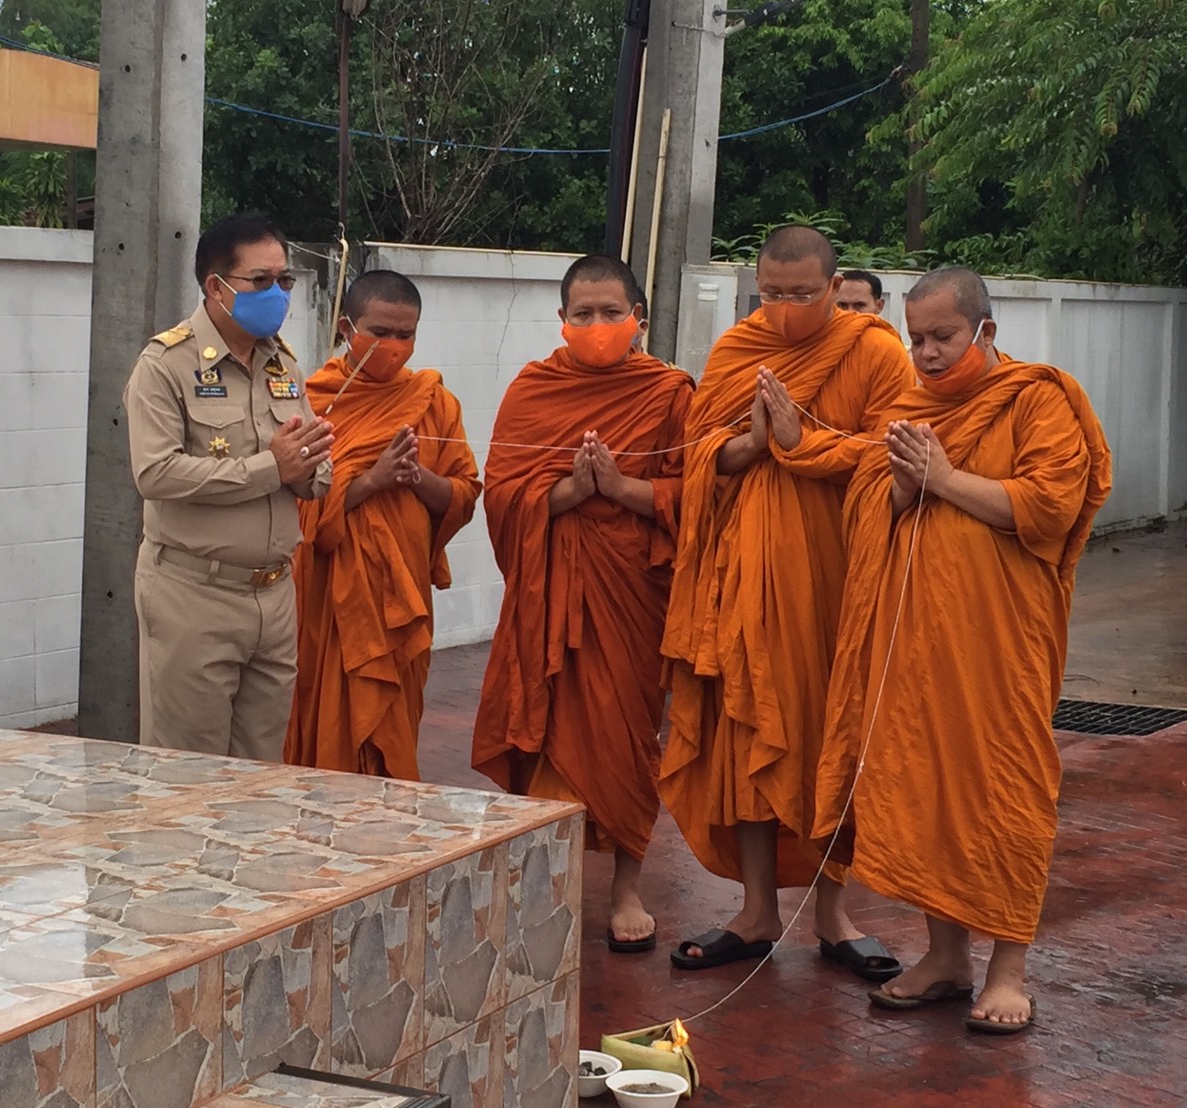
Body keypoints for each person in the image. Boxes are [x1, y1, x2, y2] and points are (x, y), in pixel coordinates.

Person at [813, 267, 1111, 1033]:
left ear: (986, 330)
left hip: (1000, 646)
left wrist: (943, 479)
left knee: (1005, 788)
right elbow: (867, 511)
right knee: (923, 790)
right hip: (915, 646)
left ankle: (1007, 970)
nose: (929, 353)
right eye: (917, 339)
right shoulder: (910, 409)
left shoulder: (1038, 399)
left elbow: (1050, 506)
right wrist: (901, 495)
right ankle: (946, 957)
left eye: (943, 337)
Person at [659, 226, 913, 976]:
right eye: (772, 294)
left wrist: (803, 443)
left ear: (836, 288)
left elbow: (892, 454)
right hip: (746, 579)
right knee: (747, 731)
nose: (787, 309)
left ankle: (834, 916)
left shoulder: (875, 352)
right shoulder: (738, 349)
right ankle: (758, 908)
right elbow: (702, 451)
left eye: (803, 295)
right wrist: (752, 444)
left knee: (830, 737)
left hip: (836, 579)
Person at [473, 254, 694, 952]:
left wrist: (625, 489)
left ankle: (626, 888)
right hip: (551, 594)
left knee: (629, 736)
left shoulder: (670, 393)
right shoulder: (533, 389)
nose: (597, 326)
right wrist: (570, 490)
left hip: (631, 591)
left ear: (640, 319)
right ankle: (544, 878)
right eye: (583, 315)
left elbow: (703, 495)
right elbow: (502, 492)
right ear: (561, 321)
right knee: (544, 726)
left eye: (610, 313)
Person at [124, 213, 332, 759]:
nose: (278, 293)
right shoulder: (165, 364)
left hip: (273, 593)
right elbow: (155, 473)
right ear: (216, 288)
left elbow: (310, 472)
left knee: (261, 773)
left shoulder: (281, 363)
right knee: (188, 775)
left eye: (284, 281)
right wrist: (272, 467)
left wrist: (311, 467)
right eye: (260, 281)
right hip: (195, 594)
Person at [285, 270, 481, 779]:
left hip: (401, 600)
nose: (394, 346)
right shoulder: (313, 401)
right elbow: (298, 513)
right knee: (326, 730)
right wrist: (371, 481)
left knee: (391, 734)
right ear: (347, 328)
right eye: (381, 332)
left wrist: (416, 477)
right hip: (329, 601)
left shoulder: (435, 402)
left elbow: (462, 496)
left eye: (406, 334)